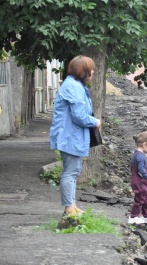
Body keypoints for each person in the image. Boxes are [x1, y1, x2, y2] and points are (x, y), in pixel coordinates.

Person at [49, 55, 101, 216]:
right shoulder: (73, 87)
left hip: (71, 135)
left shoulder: (74, 84)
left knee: (73, 170)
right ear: (83, 71)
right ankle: (69, 208)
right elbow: (79, 115)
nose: (93, 71)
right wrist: (95, 121)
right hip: (69, 136)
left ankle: (72, 204)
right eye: (90, 69)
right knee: (70, 172)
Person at [129, 131, 147, 225]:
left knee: (145, 198)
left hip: (141, 182)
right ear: (144, 145)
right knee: (140, 199)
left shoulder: (138, 155)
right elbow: (141, 169)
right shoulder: (140, 157)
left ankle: (145, 215)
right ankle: (133, 217)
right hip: (139, 182)